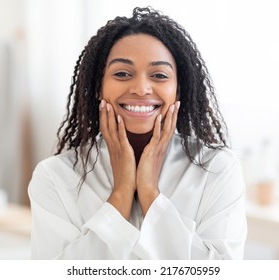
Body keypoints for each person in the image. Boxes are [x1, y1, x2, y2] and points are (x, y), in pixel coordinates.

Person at [28, 6, 247, 260]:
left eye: (159, 75)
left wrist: (150, 194)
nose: (141, 88)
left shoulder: (217, 169)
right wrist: (120, 193)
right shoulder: (55, 177)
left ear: (178, 90)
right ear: (98, 87)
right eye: (122, 73)